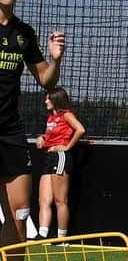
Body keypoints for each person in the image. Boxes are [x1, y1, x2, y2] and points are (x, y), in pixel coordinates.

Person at [0, 0, 65, 261]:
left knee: (20, 213)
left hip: (10, 133)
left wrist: (55, 59)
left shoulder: (24, 33)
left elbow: (46, 80)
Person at [34, 87, 86, 240]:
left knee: (60, 200)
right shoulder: (51, 118)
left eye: (48, 99)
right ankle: (42, 235)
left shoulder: (66, 115)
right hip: (49, 157)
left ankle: (61, 238)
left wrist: (68, 146)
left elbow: (80, 130)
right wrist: (42, 138)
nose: (45, 101)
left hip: (60, 157)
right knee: (44, 200)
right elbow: (50, 135)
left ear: (56, 99)